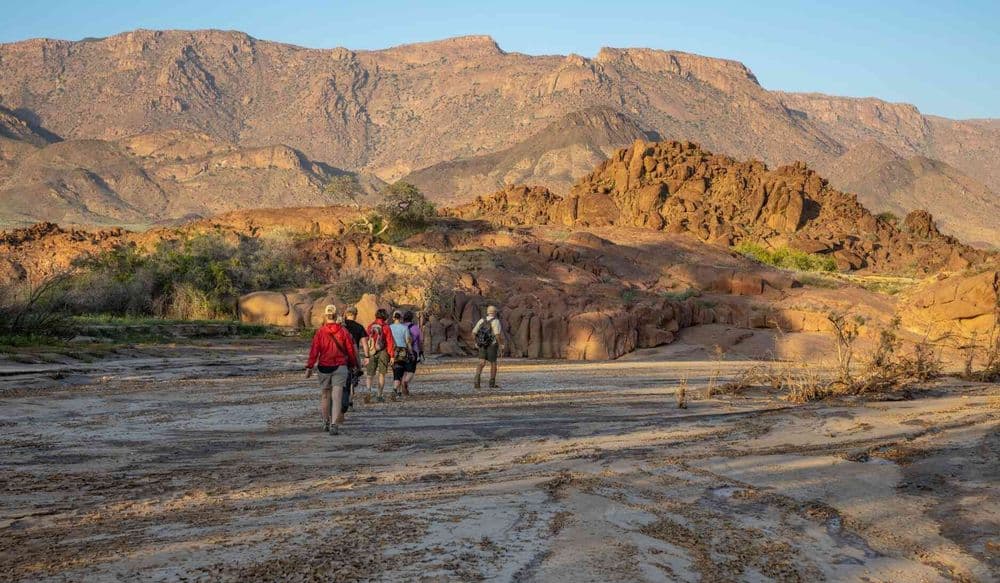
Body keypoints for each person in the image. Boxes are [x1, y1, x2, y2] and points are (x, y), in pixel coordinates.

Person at [305, 305, 359, 435]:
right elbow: (350, 350)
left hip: (324, 366)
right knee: (337, 396)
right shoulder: (343, 331)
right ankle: (334, 424)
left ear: (325, 316)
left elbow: (314, 350)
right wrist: (352, 364)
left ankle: (325, 422)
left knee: (325, 395)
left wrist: (310, 366)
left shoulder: (320, 332)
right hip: (340, 366)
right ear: (336, 316)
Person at [364, 308, 396, 403]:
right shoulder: (386, 327)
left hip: (371, 351)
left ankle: (368, 391)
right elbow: (390, 342)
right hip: (383, 351)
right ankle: (379, 395)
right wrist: (392, 356)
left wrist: (366, 354)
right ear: (385, 316)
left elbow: (366, 339)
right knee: (381, 374)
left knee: (370, 374)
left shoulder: (370, 326)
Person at [341, 306, 368, 412]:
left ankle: (340, 402)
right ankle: (350, 402)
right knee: (352, 380)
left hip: (339, 356)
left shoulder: (341, 326)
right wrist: (367, 356)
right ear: (355, 314)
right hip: (352, 355)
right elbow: (364, 343)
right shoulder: (359, 327)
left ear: (346, 314)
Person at [472, 305, 503, 389]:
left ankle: (476, 381)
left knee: (481, 362)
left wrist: (476, 342)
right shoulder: (496, 321)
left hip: (482, 345)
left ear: (487, 312)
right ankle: (492, 383)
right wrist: (500, 345)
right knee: (493, 363)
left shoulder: (482, 320)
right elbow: (497, 335)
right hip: (492, 345)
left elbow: (473, 332)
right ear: (495, 313)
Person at [389, 311, 413, 399]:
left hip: (392, 351)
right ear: (401, 318)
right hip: (402, 351)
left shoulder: (389, 327)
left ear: (393, 317)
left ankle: (398, 392)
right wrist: (411, 352)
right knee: (401, 372)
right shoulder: (405, 328)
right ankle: (395, 390)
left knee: (396, 371)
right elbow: (408, 341)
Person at [401, 310, 423, 395]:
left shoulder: (400, 327)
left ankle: (403, 387)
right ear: (412, 318)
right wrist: (421, 351)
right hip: (413, 351)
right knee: (411, 370)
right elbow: (420, 341)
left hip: (401, 351)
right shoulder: (415, 328)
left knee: (403, 370)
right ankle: (406, 381)